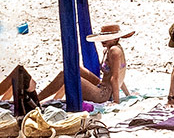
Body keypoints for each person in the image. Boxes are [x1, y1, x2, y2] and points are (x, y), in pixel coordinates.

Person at [2, 25, 132, 106]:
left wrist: (116, 101)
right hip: (103, 86)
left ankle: (38, 99)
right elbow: (120, 74)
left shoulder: (114, 51)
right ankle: (40, 98)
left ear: (115, 38)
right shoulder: (111, 49)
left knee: (69, 76)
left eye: (107, 38)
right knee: (73, 69)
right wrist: (128, 94)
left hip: (104, 94)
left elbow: (115, 78)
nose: (103, 40)